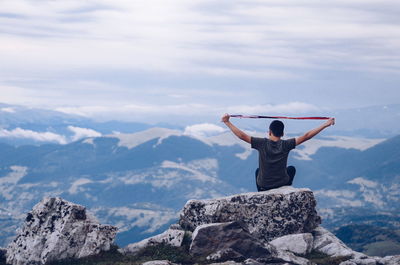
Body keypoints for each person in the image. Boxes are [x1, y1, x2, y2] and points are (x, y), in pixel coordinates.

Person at [221, 113, 335, 191]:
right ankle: (286, 188)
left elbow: (241, 135)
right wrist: (325, 124)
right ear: (283, 134)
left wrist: (227, 122)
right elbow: (306, 136)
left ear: (269, 132)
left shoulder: (261, 143)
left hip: (264, 185)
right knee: (292, 169)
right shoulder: (286, 145)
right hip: (282, 183)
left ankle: (262, 192)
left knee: (257, 171)